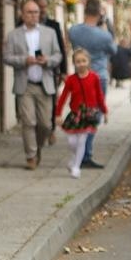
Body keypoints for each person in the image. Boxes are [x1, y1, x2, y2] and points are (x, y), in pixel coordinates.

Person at [3, 0, 63, 170]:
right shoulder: (14, 35)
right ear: (22, 14)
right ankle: (30, 155)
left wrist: (48, 61)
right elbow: (6, 57)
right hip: (25, 84)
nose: (33, 15)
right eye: (29, 12)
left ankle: (37, 149)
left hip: (44, 83)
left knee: (45, 124)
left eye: (36, 12)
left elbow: (58, 55)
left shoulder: (49, 33)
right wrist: (24, 60)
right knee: (28, 122)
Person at [66, 0, 117, 167]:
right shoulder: (104, 35)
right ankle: (85, 154)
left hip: (80, 77)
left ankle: (80, 151)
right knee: (94, 115)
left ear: (85, 11)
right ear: (99, 14)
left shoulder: (73, 31)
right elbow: (113, 50)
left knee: (80, 112)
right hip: (98, 77)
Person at [56, 48, 108, 178]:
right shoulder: (71, 80)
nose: (81, 64)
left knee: (81, 141)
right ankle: (74, 158)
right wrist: (58, 114)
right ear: (74, 63)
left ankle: (76, 167)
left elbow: (100, 96)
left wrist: (105, 111)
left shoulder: (94, 77)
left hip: (89, 115)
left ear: (88, 61)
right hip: (75, 115)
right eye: (78, 61)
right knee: (71, 141)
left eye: (84, 61)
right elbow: (63, 97)